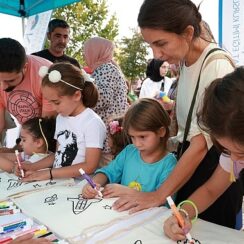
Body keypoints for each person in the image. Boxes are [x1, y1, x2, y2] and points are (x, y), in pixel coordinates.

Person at [112, 0, 243, 230]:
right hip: (202, 173)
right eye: (151, 45)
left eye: (161, 43)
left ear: (188, 32)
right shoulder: (186, 62)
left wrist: (158, 195)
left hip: (208, 169)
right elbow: (211, 184)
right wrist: (182, 212)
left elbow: (201, 143)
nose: (157, 55)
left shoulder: (215, 65)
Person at [164, 67, 244, 241]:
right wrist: (183, 213)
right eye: (227, 151)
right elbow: (211, 189)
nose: (234, 160)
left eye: (242, 154)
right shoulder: (234, 154)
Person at [16, 63, 106, 181]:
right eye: (50, 102)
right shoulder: (61, 117)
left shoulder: (92, 123)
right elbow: (58, 154)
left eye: (57, 102)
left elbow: (90, 166)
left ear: (77, 95)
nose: (53, 108)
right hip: (58, 180)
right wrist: (32, 166)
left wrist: (49, 173)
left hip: (79, 184)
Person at [82, 98, 177, 198]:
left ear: (161, 132)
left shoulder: (169, 164)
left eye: (142, 137)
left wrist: (128, 192)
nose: (137, 144)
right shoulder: (129, 151)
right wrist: (93, 184)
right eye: (132, 137)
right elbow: (108, 172)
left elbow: (164, 202)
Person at [83, 37, 129, 166]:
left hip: (107, 136)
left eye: (86, 51)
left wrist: (82, 96)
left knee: (106, 172)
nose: (84, 55)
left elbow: (102, 99)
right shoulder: (109, 68)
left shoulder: (105, 69)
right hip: (111, 134)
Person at [0, 38, 55, 136]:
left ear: (25, 67)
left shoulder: (46, 75)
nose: (3, 87)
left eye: (11, 80)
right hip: (28, 133)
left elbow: (46, 126)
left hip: (50, 133)